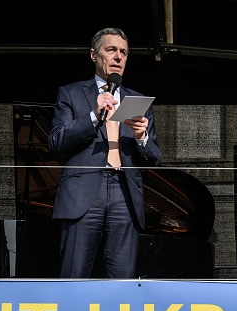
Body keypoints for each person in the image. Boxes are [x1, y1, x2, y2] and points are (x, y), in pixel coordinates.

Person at [49, 27, 162, 278]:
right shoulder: (71, 93)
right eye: (111, 50)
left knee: (122, 280)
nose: (118, 57)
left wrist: (141, 136)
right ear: (94, 55)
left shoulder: (137, 100)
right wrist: (92, 116)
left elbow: (155, 156)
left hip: (125, 194)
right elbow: (56, 141)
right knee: (74, 276)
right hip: (83, 193)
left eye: (123, 52)